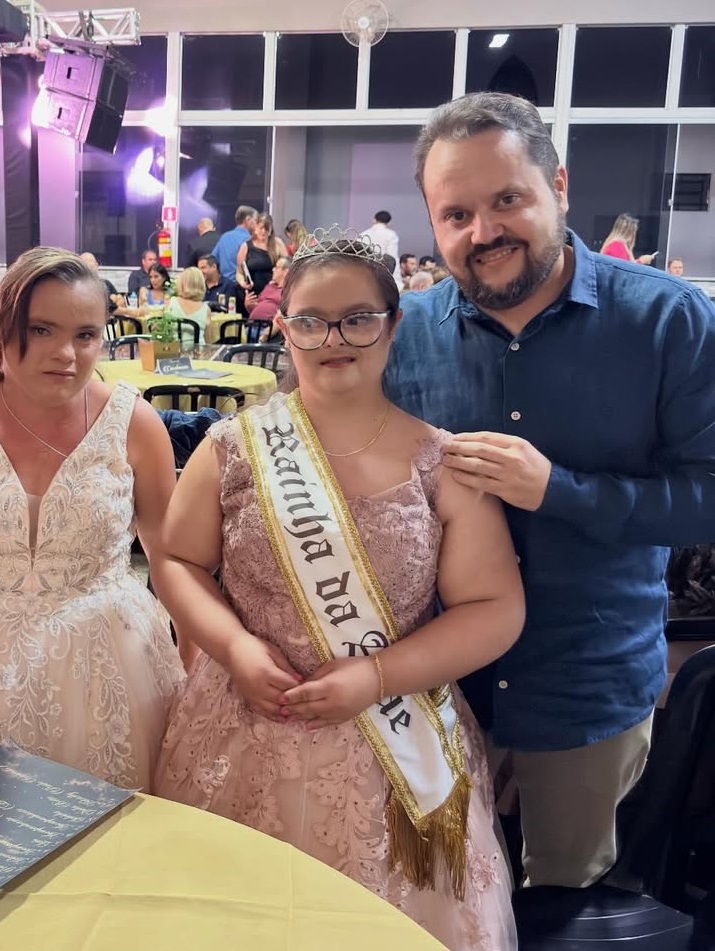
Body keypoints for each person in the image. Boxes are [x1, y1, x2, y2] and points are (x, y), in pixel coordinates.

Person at [153, 233, 523, 950]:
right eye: (311, 321)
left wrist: (375, 675)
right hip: (242, 724)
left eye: (357, 319)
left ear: (393, 323)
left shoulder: (443, 462)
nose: (333, 339)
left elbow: (494, 609)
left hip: (397, 742)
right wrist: (233, 647)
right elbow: (175, 560)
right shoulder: (231, 446)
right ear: (282, 326)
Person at [384, 91, 715, 889]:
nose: (482, 231)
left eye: (507, 200)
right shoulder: (404, 333)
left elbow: (706, 495)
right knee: (436, 898)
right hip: (434, 695)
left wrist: (558, 490)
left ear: (557, 186)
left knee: (565, 903)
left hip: (585, 689)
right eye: (455, 214)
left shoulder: (665, 320)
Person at [0, 248, 185, 787]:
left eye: (85, 335)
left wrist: (197, 664)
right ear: (1, 328)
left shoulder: (135, 423)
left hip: (110, 659)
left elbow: (171, 559)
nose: (65, 354)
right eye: (41, 330)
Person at [235, 212, 283, 297]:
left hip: (272, 294)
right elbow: (239, 273)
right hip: (252, 295)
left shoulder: (278, 244)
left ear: (271, 230)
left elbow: (286, 268)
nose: (263, 231)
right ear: (256, 228)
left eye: (266, 229)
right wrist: (243, 283)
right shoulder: (245, 246)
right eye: (261, 228)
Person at [213, 206, 256, 283]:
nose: (257, 224)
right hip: (243, 284)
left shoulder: (224, 237)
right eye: (256, 220)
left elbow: (213, 259)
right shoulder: (249, 240)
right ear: (248, 219)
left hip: (224, 285)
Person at [168, 266, 210, 345]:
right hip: (198, 351)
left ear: (181, 283)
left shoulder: (171, 303)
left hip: (175, 350)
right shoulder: (206, 309)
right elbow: (208, 338)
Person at [244, 255, 289, 323]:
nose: (273, 269)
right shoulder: (269, 286)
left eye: (277, 267)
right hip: (252, 323)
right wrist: (248, 305)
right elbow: (256, 308)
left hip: (268, 326)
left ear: (286, 272)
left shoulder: (288, 291)